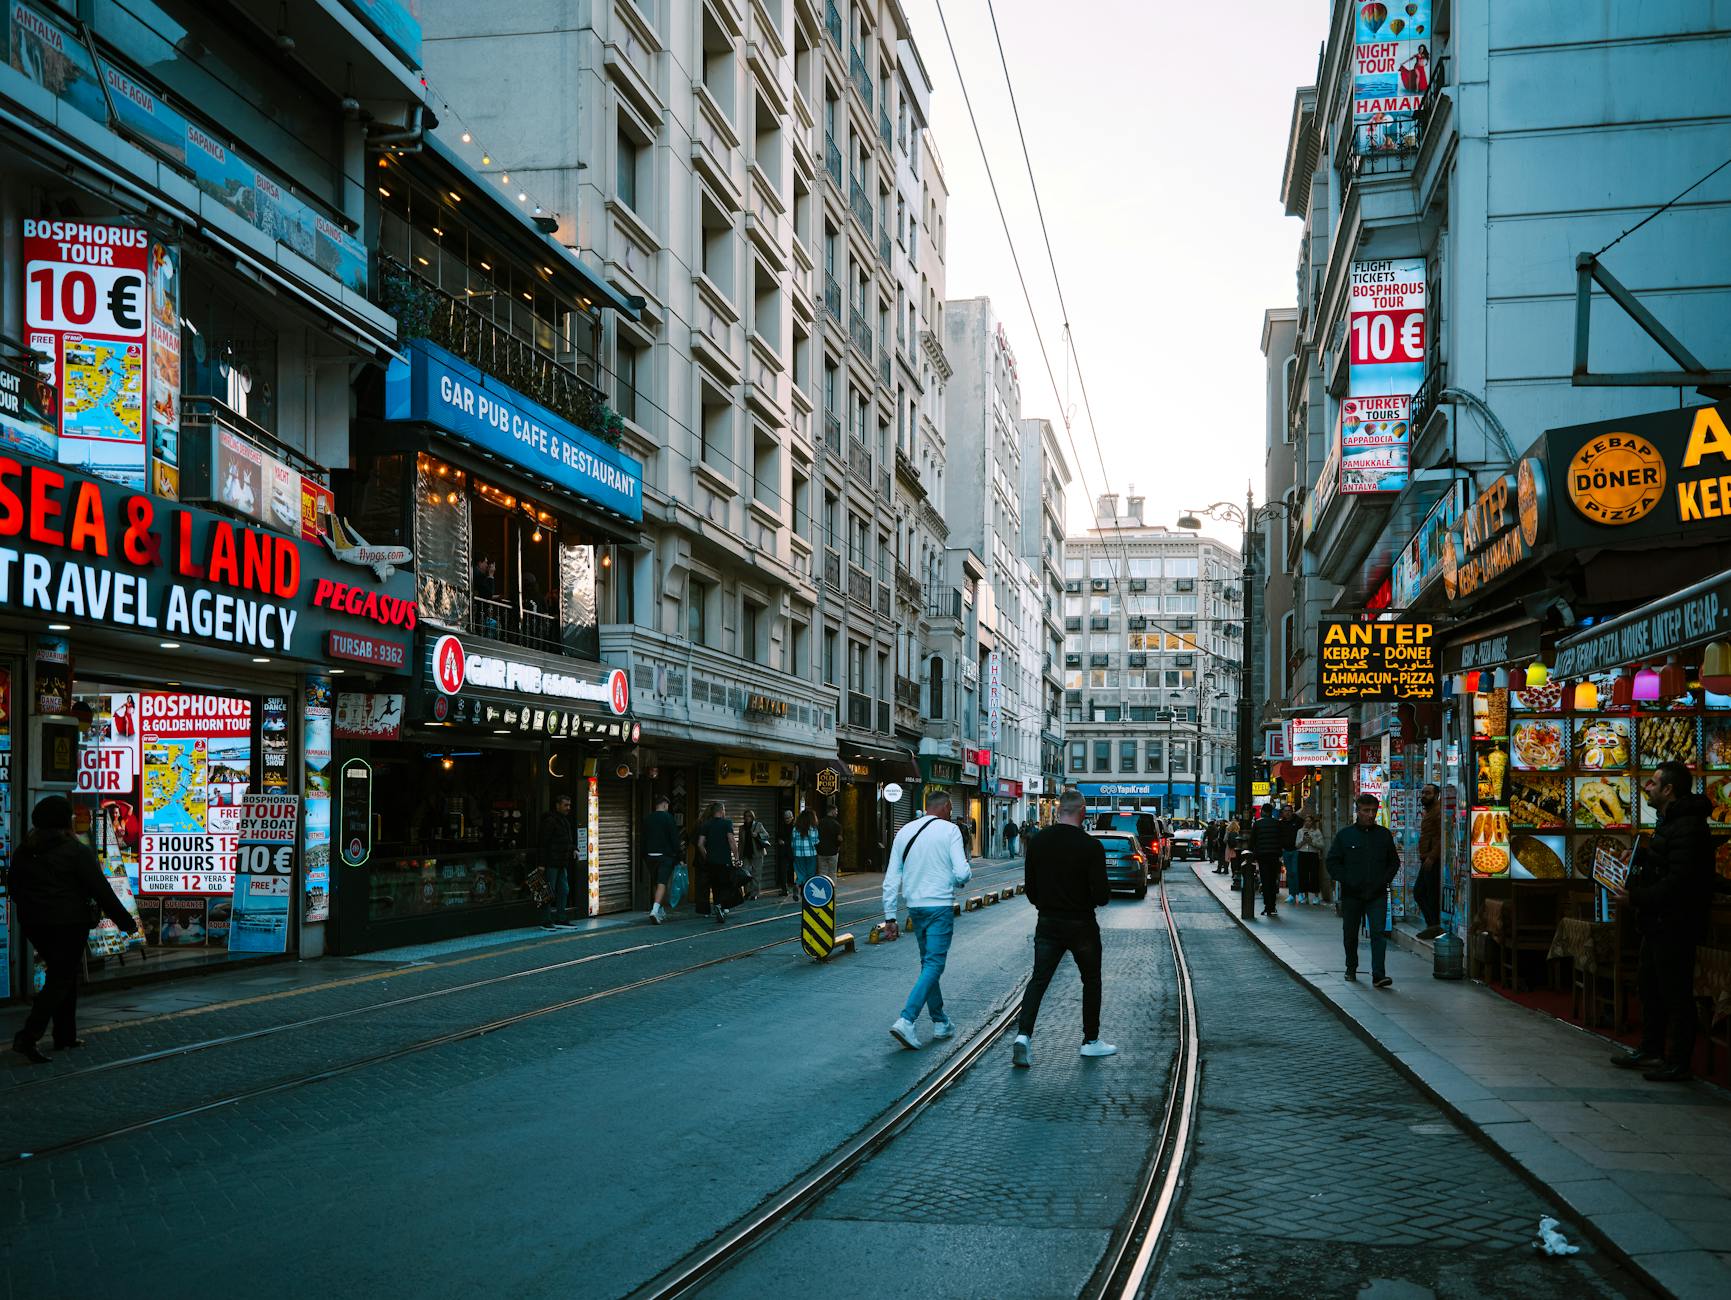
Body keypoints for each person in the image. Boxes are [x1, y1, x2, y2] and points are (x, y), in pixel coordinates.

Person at [10, 795, 137, 1063]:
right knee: (61, 977)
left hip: (34, 922)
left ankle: (65, 1035)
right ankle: (29, 1035)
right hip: (68, 923)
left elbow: (14, 888)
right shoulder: (75, 851)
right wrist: (125, 921)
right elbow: (100, 889)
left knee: (63, 974)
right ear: (64, 821)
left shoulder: (25, 850)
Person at [1612, 762, 1715, 1082]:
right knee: (1650, 987)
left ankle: (1678, 1061)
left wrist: (1637, 898)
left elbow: (1679, 882)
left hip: (1676, 923)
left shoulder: (1689, 827)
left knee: (1675, 992)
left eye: (1653, 783)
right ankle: (1651, 1048)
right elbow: (1664, 860)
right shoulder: (1670, 821)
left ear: (1669, 790)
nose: (1646, 787)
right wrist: (1640, 856)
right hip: (1656, 922)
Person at [1011, 788, 1115, 1067]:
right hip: (1081, 923)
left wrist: (1047, 903)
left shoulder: (1038, 841)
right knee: (1091, 980)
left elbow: (1030, 889)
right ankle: (1090, 1041)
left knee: (1039, 980)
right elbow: (1102, 896)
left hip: (1048, 921)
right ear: (1082, 811)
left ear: (1058, 811)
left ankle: (1023, 1035)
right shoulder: (1091, 847)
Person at [884, 789, 974, 1049]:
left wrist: (890, 916)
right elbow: (961, 873)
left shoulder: (904, 831)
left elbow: (892, 877)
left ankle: (940, 1021)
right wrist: (962, 875)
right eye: (951, 809)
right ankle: (907, 1019)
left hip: (916, 908)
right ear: (946, 806)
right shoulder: (950, 831)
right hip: (939, 907)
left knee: (928, 964)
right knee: (934, 965)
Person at [1326, 793, 1402, 988]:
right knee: (1350, 933)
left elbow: (1393, 862)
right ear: (1357, 811)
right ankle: (1351, 967)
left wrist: (1384, 881)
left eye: (1373, 811)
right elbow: (1333, 862)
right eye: (1366, 811)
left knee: (1378, 933)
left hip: (1376, 893)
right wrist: (1346, 879)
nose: (1370, 815)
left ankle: (1378, 974)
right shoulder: (1345, 835)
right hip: (1352, 894)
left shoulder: (1383, 835)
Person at [537, 794, 578, 930]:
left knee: (563, 890)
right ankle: (546, 920)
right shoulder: (550, 821)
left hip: (561, 862)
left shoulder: (564, 821)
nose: (568, 808)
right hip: (551, 863)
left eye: (569, 805)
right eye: (565, 805)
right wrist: (542, 864)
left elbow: (566, 840)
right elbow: (543, 843)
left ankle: (560, 918)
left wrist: (573, 848)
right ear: (557, 805)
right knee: (549, 891)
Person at [696, 801, 740, 924]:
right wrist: (736, 858)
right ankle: (723, 907)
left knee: (715, 885)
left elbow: (700, 844)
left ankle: (718, 905)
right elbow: (732, 841)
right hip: (724, 860)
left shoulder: (706, 824)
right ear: (721, 811)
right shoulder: (727, 823)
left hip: (711, 861)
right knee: (725, 885)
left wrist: (706, 856)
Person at [643, 795, 682, 924]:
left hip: (650, 856)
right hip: (664, 856)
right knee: (662, 883)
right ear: (665, 804)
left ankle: (660, 909)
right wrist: (679, 855)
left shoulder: (648, 818)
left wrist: (644, 855)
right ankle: (654, 910)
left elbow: (643, 837)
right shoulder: (668, 818)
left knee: (656, 882)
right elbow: (674, 839)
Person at [1415, 784, 1443, 939]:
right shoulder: (1431, 811)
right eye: (1423, 792)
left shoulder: (1438, 811)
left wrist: (1432, 857)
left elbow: (1441, 837)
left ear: (1436, 795)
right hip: (1427, 857)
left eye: (1428, 793)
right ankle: (1432, 925)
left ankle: (1434, 926)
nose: (1424, 795)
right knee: (1424, 892)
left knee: (1423, 893)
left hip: (1432, 859)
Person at [1248, 803, 1286, 917]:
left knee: (1265, 881)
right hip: (1274, 855)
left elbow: (1252, 841)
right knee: (1273, 880)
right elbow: (1281, 839)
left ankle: (1267, 906)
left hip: (1262, 856)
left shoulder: (1257, 823)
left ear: (1263, 811)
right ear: (1271, 811)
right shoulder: (1277, 823)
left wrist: (1252, 852)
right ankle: (1272, 905)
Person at [738, 808, 770, 900]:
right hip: (745, 854)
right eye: (746, 816)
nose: (747, 818)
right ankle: (747, 892)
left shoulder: (758, 825)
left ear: (752, 817)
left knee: (756, 874)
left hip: (757, 853)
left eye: (749, 816)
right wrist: (739, 857)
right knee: (745, 874)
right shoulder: (741, 828)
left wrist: (758, 835)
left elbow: (767, 835)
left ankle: (755, 893)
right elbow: (740, 843)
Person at [1296, 814, 1326, 905]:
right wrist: (1303, 841)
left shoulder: (1317, 831)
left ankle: (1316, 896)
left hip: (1313, 854)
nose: (1307, 822)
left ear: (1312, 822)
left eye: (1309, 821)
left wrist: (1311, 842)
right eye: (1306, 821)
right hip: (1302, 854)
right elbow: (1296, 845)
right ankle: (1305, 896)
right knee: (1303, 875)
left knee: (1314, 875)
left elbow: (1322, 845)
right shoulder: (1300, 831)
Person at [790, 808, 820, 892]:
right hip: (811, 854)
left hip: (798, 854)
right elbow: (815, 841)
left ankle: (797, 884)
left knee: (800, 872)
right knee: (810, 873)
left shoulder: (795, 828)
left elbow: (792, 842)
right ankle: (807, 893)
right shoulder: (813, 828)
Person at [1279, 804, 1304, 904]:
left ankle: (1299, 893)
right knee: (1289, 872)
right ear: (1283, 812)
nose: (1288, 812)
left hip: (1296, 850)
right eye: (1286, 811)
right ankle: (1292, 894)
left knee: (1296, 872)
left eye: (1289, 810)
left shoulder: (1298, 821)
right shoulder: (1281, 823)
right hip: (1286, 850)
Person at [816, 801, 842, 879]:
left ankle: (822, 888)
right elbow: (839, 839)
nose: (837, 813)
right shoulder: (837, 825)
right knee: (832, 873)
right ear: (832, 811)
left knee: (822, 872)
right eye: (836, 811)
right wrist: (838, 847)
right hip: (833, 852)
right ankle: (831, 889)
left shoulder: (819, 823)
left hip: (821, 852)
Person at [774, 809, 796, 897]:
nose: (786, 820)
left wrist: (785, 842)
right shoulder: (782, 826)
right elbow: (778, 835)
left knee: (796, 871)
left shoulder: (795, 827)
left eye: (788, 818)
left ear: (792, 818)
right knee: (783, 871)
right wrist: (779, 840)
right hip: (783, 852)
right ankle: (784, 889)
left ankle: (796, 889)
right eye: (785, 818)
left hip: (793, 852)